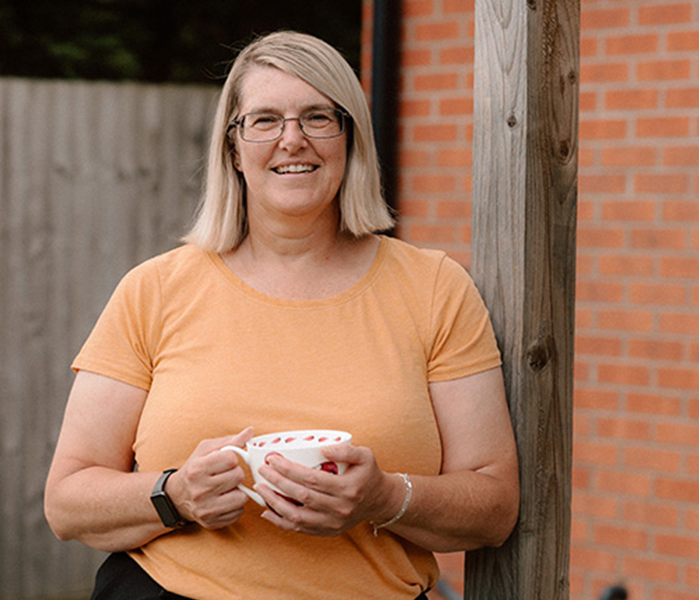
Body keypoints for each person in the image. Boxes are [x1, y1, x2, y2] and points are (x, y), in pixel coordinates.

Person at [44, 30, 519, 600]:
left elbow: (494, 504)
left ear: (350, 139)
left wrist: (385, 498)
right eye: (265, 120)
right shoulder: (155, 290)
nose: (292, 140)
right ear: (233, 149)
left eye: (318, 117)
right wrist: (174, 494)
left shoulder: (434, 288)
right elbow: (68, 501)